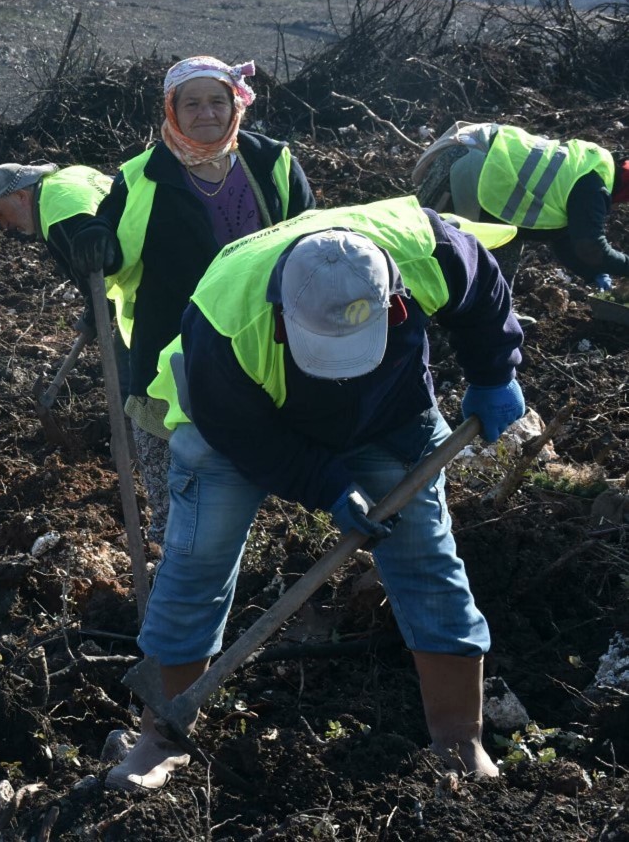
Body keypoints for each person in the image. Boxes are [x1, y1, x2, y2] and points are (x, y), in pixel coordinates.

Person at [106, 196, 525, 792]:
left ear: (394, 302)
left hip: (387, 418)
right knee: (199, 558)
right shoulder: (225, 317)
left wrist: (495, 375)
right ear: (280, 316)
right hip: (240, 426)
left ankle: (460, 740)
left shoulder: (426, 248)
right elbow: (238, 432)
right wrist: (325, 485)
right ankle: (161, 733)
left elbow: (483, 292)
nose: (342, 367)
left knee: (424, 555)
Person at [75, 56, 315, 541]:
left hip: (259, 343)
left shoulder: (272, 162)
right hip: (170, 347)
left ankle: (240, 561)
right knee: (175, 482)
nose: (206, 113)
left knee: (246, 476)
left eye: (216, 101)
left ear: (234, 105)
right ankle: (174, 570)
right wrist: (95, 235)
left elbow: (311, 233)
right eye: (192, 103)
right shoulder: (143, 174)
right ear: (172, 109)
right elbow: (110, 229)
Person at [414, 121, 629, 288]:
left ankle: (497, 319)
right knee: (429, 246)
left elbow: (564, 242)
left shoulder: (594, 165)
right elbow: (591, 248)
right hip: (471, 163)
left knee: (503, 252)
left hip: (494, 179)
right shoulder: (593, 186)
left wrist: (592, 273)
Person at [0, 161, 115, 294]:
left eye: (0, 214)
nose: (4, 225)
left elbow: (97, 295)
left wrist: (89, 318)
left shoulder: (56, 217)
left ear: (20, 196)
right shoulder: (75, 173)